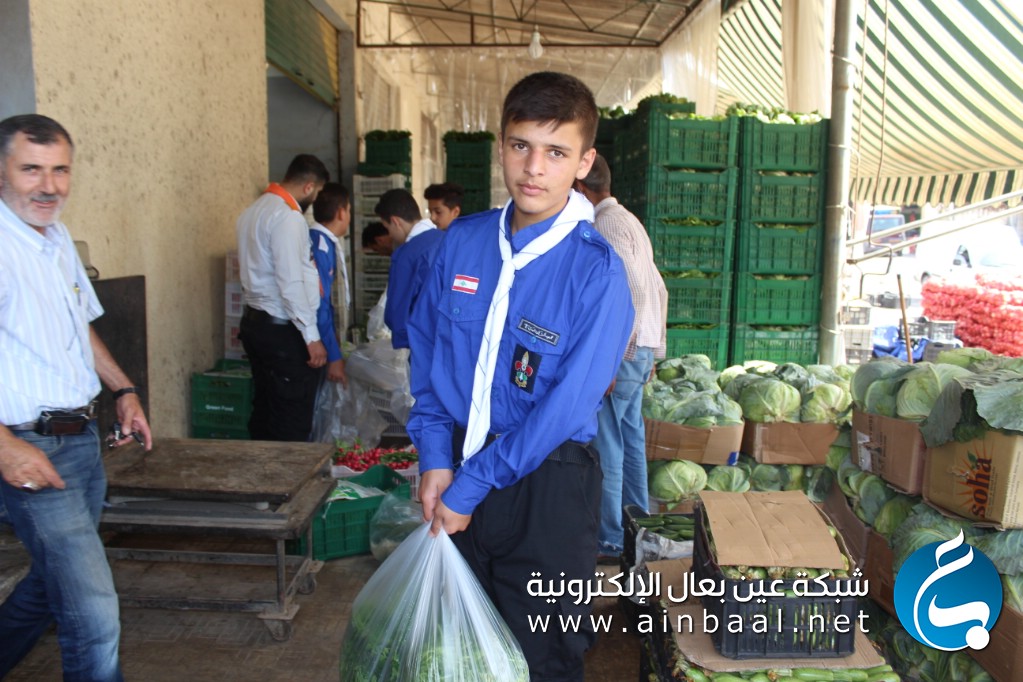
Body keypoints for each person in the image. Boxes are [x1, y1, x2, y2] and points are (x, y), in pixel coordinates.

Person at [407, 72, 634, 681]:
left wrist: (470, 485)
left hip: (547, 485)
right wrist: (435, 456)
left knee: (544, 658)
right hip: (457, 466)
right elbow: (428, 357)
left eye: (556, 152)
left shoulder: (597, 273)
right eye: (520, 146)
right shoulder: (461, 243)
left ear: (583, 162)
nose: (533, 168)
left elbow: (566, 408)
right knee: (457, 654)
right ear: (501, 145)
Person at [0, 113, 153, 681]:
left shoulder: (57, 238)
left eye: (60, 170)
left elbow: (79, 327)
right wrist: (6, 448)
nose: (49, 186)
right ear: (1, 172)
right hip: (30, 450)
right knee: (94, 614)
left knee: (50, 586)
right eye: (31, 170)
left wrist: (124, 389)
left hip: (81, 442)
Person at [575, 153, 668, 562]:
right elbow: (658, 288)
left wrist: (615, 355)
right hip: (640, 349)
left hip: (625, 353)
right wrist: (654, 349)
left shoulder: (607, 225)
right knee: (630, 441)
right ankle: (639, 528)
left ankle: (612, 538)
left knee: (608, 445)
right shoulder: (629, 221)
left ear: (581, 188)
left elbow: (631, 289)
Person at [236, 154, 329, 441]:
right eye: (317, 192)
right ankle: (287, 470)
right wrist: (311, 336)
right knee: (291, 415)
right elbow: (290, 282)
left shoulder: (252, 211)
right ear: (309, 187)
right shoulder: (287, 217)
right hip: (281, 330)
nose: (315, 199)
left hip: (256, 323)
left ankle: (262, 467)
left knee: (266, 408)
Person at [374, 188, 444, 350]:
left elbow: (396, 315)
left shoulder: (406, 255)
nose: (390, 235)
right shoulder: (448, 240)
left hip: (424, 345)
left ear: (396, 221)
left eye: (387, 228)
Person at [311, 182, 352, 386]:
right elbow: (320, 304)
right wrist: (334, 356)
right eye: (349, 210)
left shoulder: (327, 242)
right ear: (341, 213)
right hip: (313, 342)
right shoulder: (319, 247)